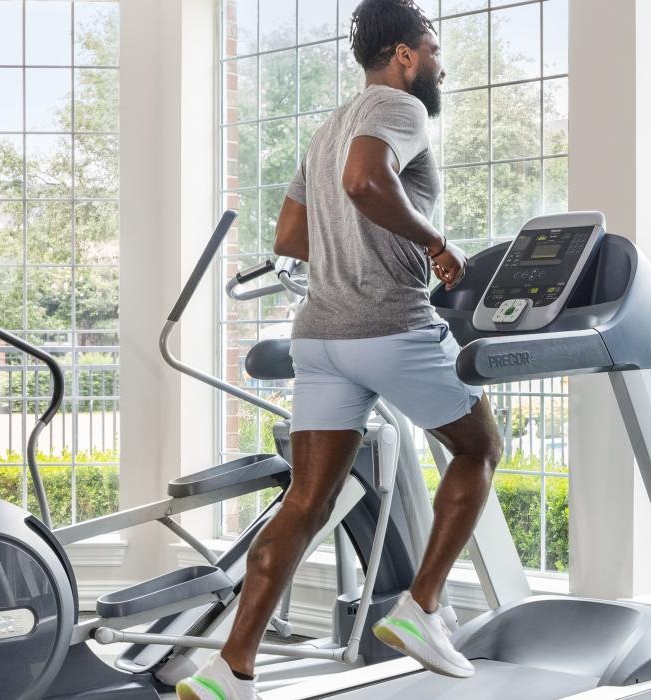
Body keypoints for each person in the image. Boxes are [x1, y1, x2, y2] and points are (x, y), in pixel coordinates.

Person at [177, 1, 501, 698]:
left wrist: (353, 251)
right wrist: (435, 245)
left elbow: (290, 236)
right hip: (390, 326)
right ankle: (422, 608)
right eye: (434, 50)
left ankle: (229, 669)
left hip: (320, 336)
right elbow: (364, 181)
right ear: (406, 55)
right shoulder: (398, 107)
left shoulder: (327, 128)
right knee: (479, 449)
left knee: (307, 499)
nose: (440, 66)